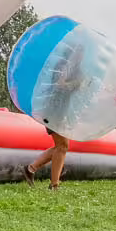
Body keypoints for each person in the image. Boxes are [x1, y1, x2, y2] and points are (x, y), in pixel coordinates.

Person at [22, 39, 86, 191]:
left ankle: (31, 169)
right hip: (52, 108)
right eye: (78, 52)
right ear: (72, 53)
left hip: (61, 110)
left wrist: (82, 84)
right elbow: (60, 85)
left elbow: (78, 90)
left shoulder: (77, 71)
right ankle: (53, 184)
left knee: (61, 146)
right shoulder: (63, 66)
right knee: (63, 145)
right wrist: (76, 84)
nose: (81, 56)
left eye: (82, 53)